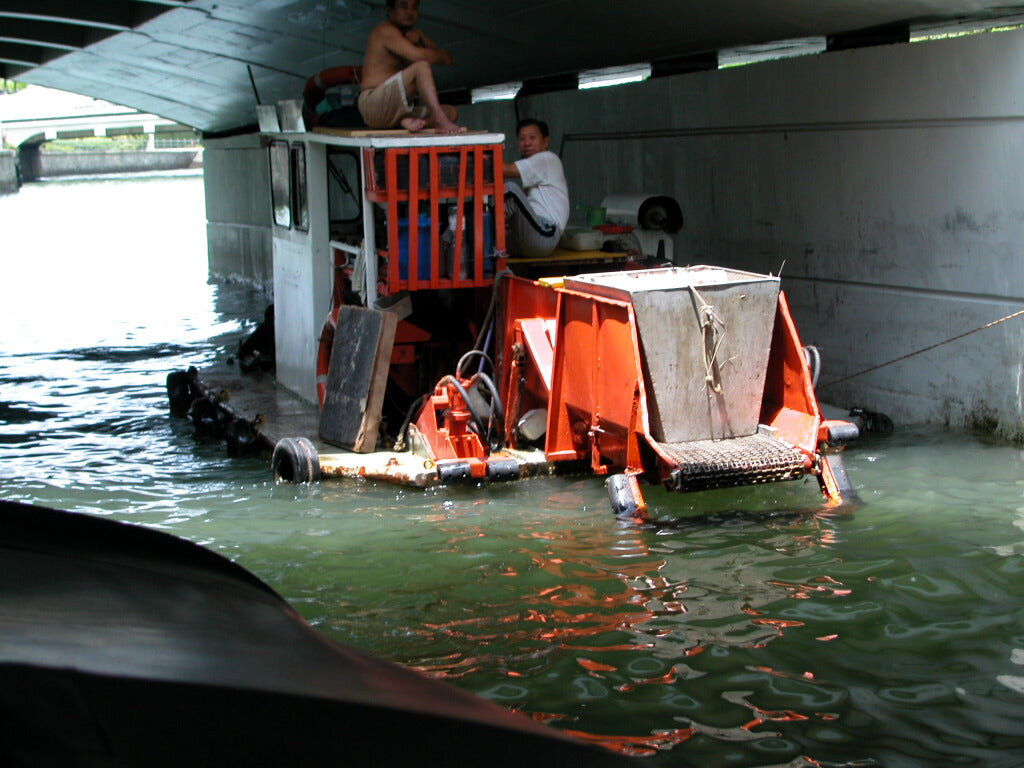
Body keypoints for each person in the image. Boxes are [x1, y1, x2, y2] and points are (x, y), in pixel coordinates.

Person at [358, 0, 460, 134]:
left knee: (451, 112)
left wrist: (422, 37)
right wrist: (427, 51)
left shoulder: (412, 35)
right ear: (390, 10)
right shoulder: (386, 31)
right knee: (421, 66)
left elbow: (448, 59)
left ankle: (404, 123)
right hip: (374, 104)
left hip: (397, 110)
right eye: (403, 6)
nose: (409, 12)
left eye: (415, 7)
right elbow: (420, 57)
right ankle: (439, 119)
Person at [502, 118, 569, 258]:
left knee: (511, 190)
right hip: (527, 236)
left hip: (544, 234)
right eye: (522, 139)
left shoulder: (548, 158)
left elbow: (504, 170)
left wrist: (483, 155)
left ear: (545, 141)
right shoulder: (534, 167)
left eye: (532, 138)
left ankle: (485, 231)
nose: (526, 143)